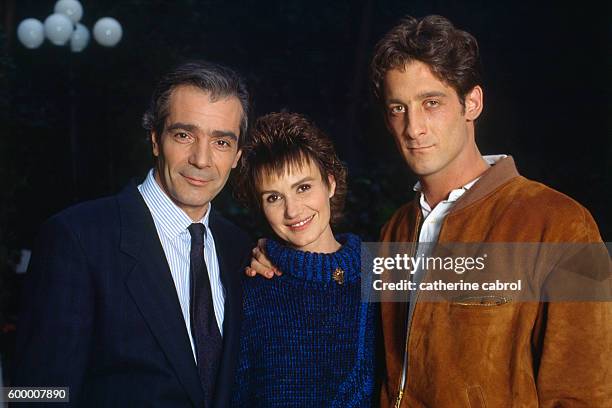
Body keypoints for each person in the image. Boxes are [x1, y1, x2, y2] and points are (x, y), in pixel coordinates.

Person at [250, 15, 611, 407]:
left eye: (431, 103)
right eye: (398, 108)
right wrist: (273, 259)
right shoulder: (394, 232)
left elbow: (585, 395)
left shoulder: (561, 224)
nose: (413, 127)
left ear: (471, 102)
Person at [13, 60, 253, 407]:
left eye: (221, 142)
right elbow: (32, 396)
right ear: (155, 138)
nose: (202, 159)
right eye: (184, 135)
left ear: (237, 156)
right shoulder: (76, 237)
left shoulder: (239, 249)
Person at [231, 112, 376, 407]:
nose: (293, 211)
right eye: (274, 197)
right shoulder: (251, 288)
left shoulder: (382, 272)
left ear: (330, 184)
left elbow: (490, 270)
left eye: (303, 187)